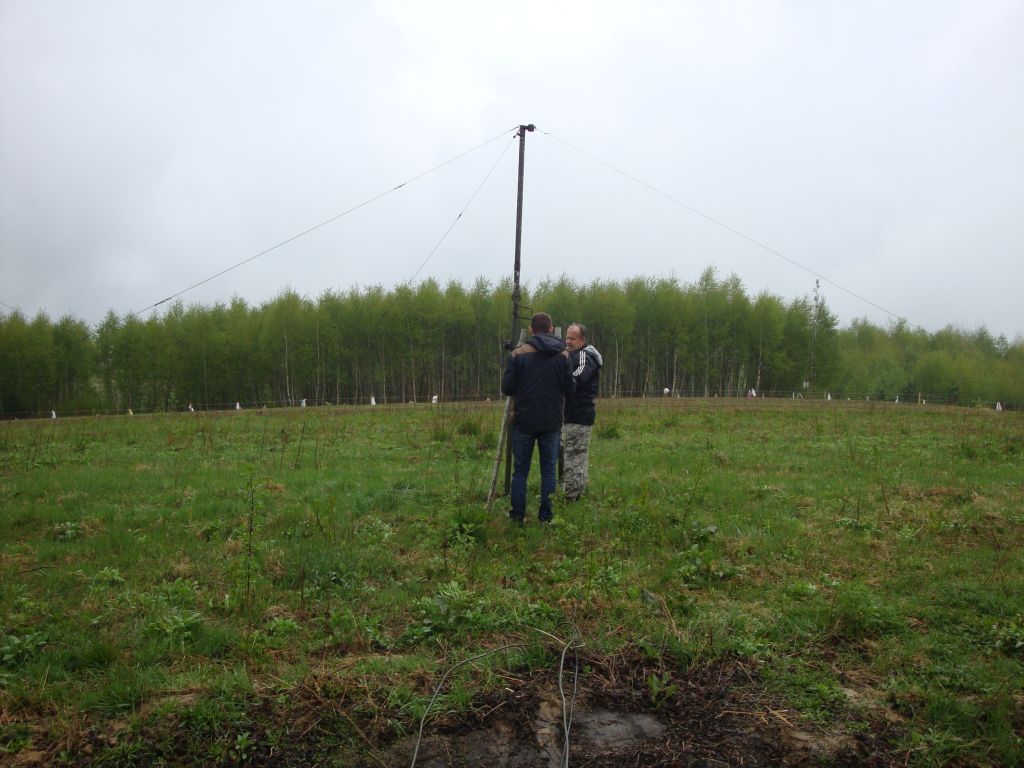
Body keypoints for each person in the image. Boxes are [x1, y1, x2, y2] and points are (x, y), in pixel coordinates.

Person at [501, 312, 574, 523]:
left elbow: (507, 388)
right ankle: (546, 517)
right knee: (549, 472)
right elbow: (570, 388)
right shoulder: (563, 356)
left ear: (532, 330)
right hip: (551, 421)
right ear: (551, 329)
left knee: (520, 472)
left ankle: (517, 516)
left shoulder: (518, 354)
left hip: (523, 420)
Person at [562, 323, 602, 501]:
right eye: (567, 337)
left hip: (579, 415)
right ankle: (577, 492)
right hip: (574, 414)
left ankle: (571, 497)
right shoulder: (573, 355)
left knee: (573, 456)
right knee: (577, 456)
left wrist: (559, 380)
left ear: (582, 340)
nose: (568, 341)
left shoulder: (585, 356)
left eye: (572, 338)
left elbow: (579, 377)